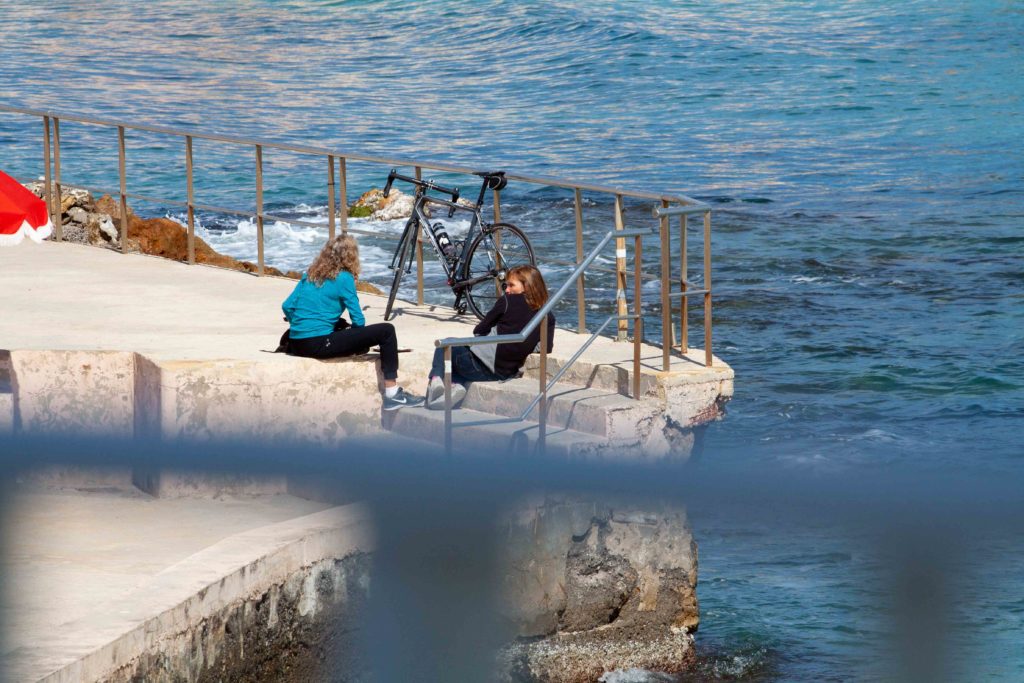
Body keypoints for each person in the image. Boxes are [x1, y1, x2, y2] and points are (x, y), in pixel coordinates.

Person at [282, 234, 423, 410]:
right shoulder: (344, 278)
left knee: (339, 325)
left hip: (296, 343)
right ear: (351, 257)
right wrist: (356, 338)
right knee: (386, 331)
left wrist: (301, 325)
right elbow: (358, 320)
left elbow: (287, 306)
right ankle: (392, 394)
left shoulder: (309, 275)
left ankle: (393, 394)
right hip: (317, 344)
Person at [425, 265, 555, 409]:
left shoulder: (507, 302)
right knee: (458, 364)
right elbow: (545, 348)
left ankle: (435, 379)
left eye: (511, 285)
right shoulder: (548, 315)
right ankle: (456, 385)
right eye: (506, 285)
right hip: (504, 373)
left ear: (528, 286)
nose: (507, 290)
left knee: (446, 344)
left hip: (480, 366)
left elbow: (479, 330)